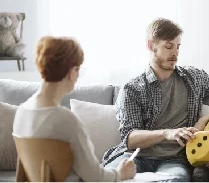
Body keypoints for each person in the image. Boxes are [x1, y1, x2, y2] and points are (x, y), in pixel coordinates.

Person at [102, 18, 209, 182]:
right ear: (151, 45)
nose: (175, 53)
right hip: (137, 156)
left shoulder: (193, 78)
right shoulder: (133, 89)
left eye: (178, 46)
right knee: (108, 176)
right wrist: (168, 133)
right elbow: (129, 139)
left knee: (175, 180)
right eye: (168, 46)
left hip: (174, 159)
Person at [12, 36, 136, 182]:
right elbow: (95, 177)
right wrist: (121, 173)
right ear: (72, 71)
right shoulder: (65, 119)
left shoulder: (21, 112)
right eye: (78, 69)